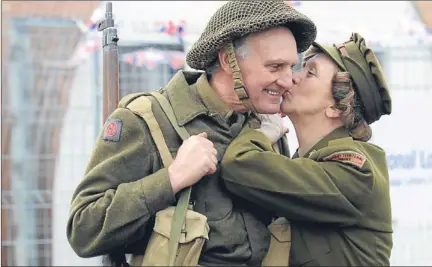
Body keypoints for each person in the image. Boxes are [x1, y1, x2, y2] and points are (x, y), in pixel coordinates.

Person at [66, 1, 317, 266]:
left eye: (291, 67)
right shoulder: (146, 120)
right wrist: (172, 179)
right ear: (227, 60)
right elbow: (83, 230)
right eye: (275, 67)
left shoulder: (266, 129)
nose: (288, 80)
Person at [221, 33, 394, 266]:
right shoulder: (311, 159)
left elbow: (238, 165)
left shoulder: (354, 172)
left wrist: (261, 134)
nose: (292, 78)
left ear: (336, 106)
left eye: (310, 73)